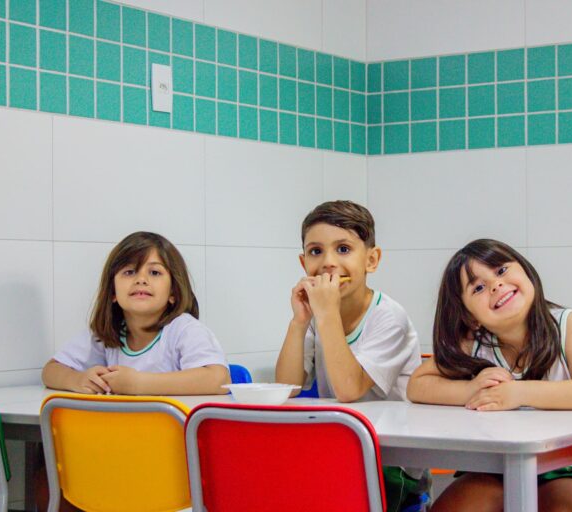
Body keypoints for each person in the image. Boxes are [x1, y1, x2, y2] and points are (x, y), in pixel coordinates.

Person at [407, 239, 572, 512]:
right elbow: (417, 385)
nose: (495, 285)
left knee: (567, 505)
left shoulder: (566, 325)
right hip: (495, 467)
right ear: (471, 317)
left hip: (569, 464)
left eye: (501, 270)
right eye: (478, 288)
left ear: (526, 272)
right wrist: (471, 390)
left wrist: (519, 393)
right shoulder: (474, 342)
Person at [275, 200, 427, 512]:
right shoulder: (318, 316)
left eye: (343, 249)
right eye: (316, 251)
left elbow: (349, 389)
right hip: (339, 448)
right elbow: (287, 387)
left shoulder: (389, 317)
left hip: (393, 460)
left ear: (372, 260)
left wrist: (326, 314)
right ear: (303, 263)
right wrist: (299, 322)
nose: (328, 262)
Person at [42, 231, 230, 395]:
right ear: (113, 292)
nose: (141, 279)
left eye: (154, 272)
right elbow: (51, 371)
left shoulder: (184, 330)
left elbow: (219, 379)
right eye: (130, 272)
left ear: (173, 292)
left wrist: (139, 384)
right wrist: (78, 380)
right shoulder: (106, 333)